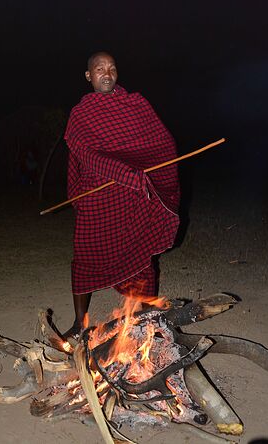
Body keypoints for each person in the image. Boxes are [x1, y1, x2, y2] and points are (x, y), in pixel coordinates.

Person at [63, 52, 180, 340]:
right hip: (97, 195)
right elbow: (85, 155)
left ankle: (143, 319)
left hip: (133, 196)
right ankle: (80, 323)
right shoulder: (81, 113)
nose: (107, 73)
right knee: (86, 255)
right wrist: (123, 171)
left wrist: (138, 172)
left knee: (140, 256)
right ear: (89, 76)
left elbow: (160, 144)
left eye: (112, 68)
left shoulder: (136, 105)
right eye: (100, 69)